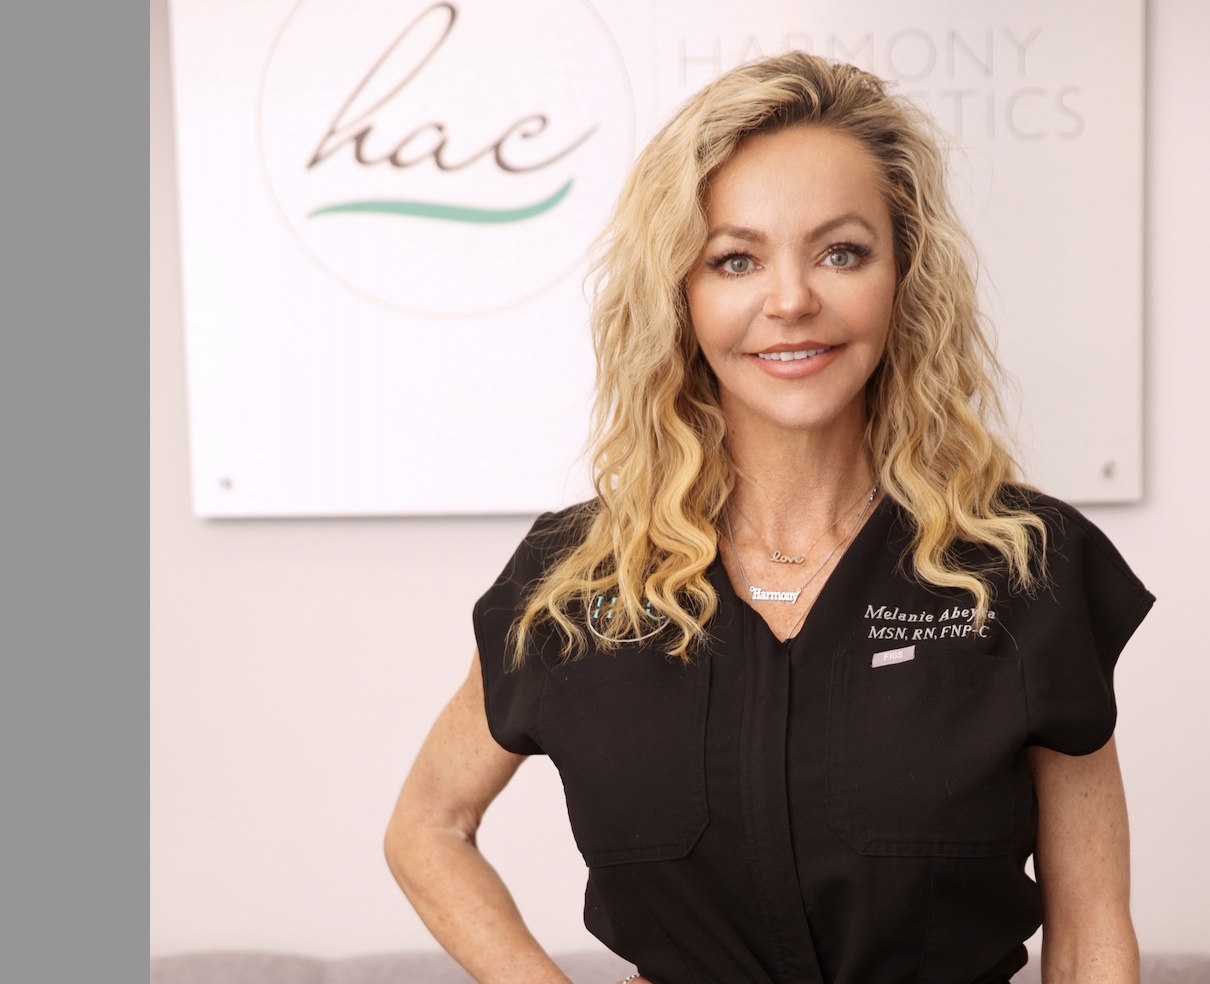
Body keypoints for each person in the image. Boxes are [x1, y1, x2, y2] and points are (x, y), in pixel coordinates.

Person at [384, 52, 1153, 984]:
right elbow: (427, 827)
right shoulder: (573, 580)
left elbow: (1091, 939)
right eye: (735, 259)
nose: (790, 300)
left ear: (903, 277)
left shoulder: (1030, 567)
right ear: (683, 295)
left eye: (841, 252)